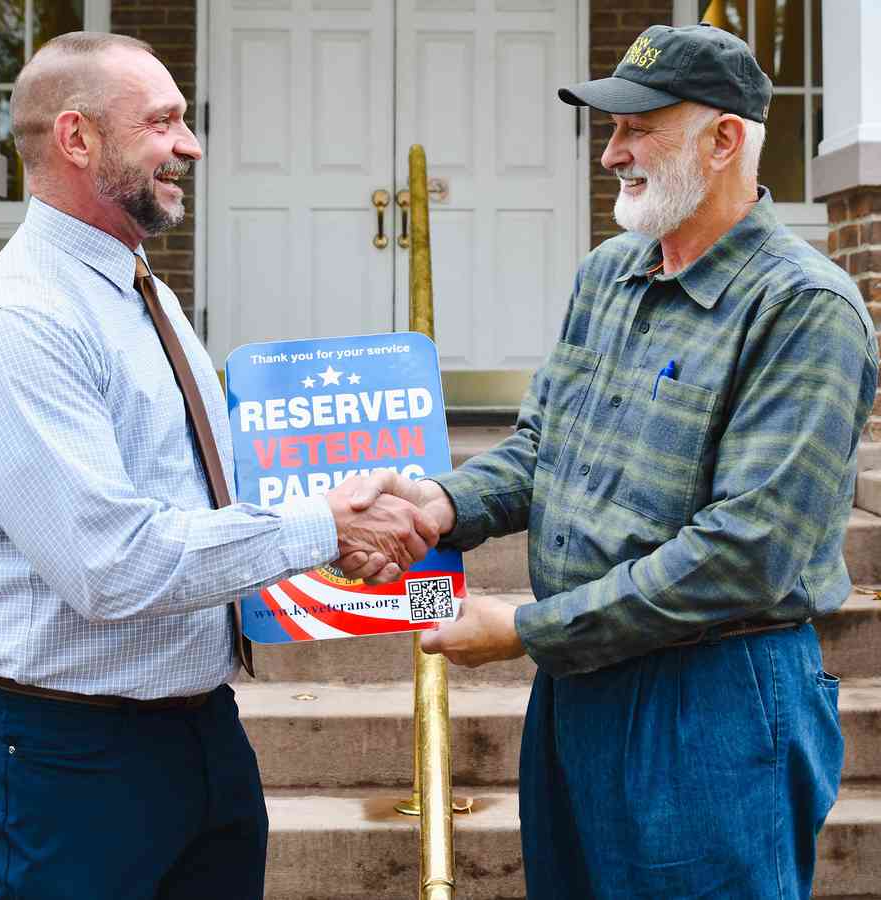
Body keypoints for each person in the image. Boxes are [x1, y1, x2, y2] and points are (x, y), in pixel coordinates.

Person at [347, 23, 879, 900]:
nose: (612, 154)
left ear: (724, 140)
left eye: (639, 128)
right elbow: (540, 450)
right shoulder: (610, 272)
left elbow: (746, 555)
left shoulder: (805, 307)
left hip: (713, 700)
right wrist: (437, 503)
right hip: (581, 689)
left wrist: (522, 630)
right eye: (610, 128)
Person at [0, 32, 436, 900]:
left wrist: (375, 503)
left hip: (198, 727)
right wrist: (326, 524)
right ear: (78, 139)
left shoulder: (138, 288)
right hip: (66, 753)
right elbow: (111, 564)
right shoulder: (21, 323)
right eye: (163, 121)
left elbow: (198, 487)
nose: (191, 143)